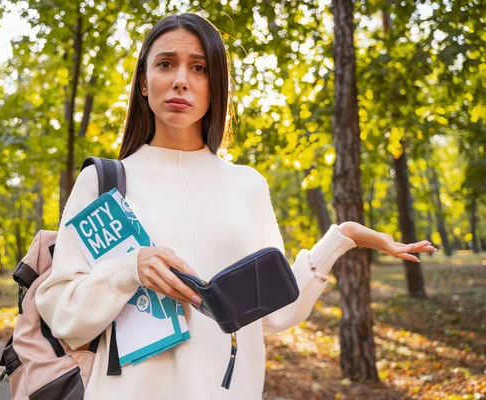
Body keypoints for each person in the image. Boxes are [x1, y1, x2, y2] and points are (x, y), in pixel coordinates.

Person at [35, 12, 435, 400]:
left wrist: (342, 238)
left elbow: (275, 313)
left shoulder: (247, 185)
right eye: (165, 64)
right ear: (144, 82)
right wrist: (129, 270)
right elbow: (61, 314)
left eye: (199, 68)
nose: (180, 81)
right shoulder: (104, 185)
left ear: (216, 85)